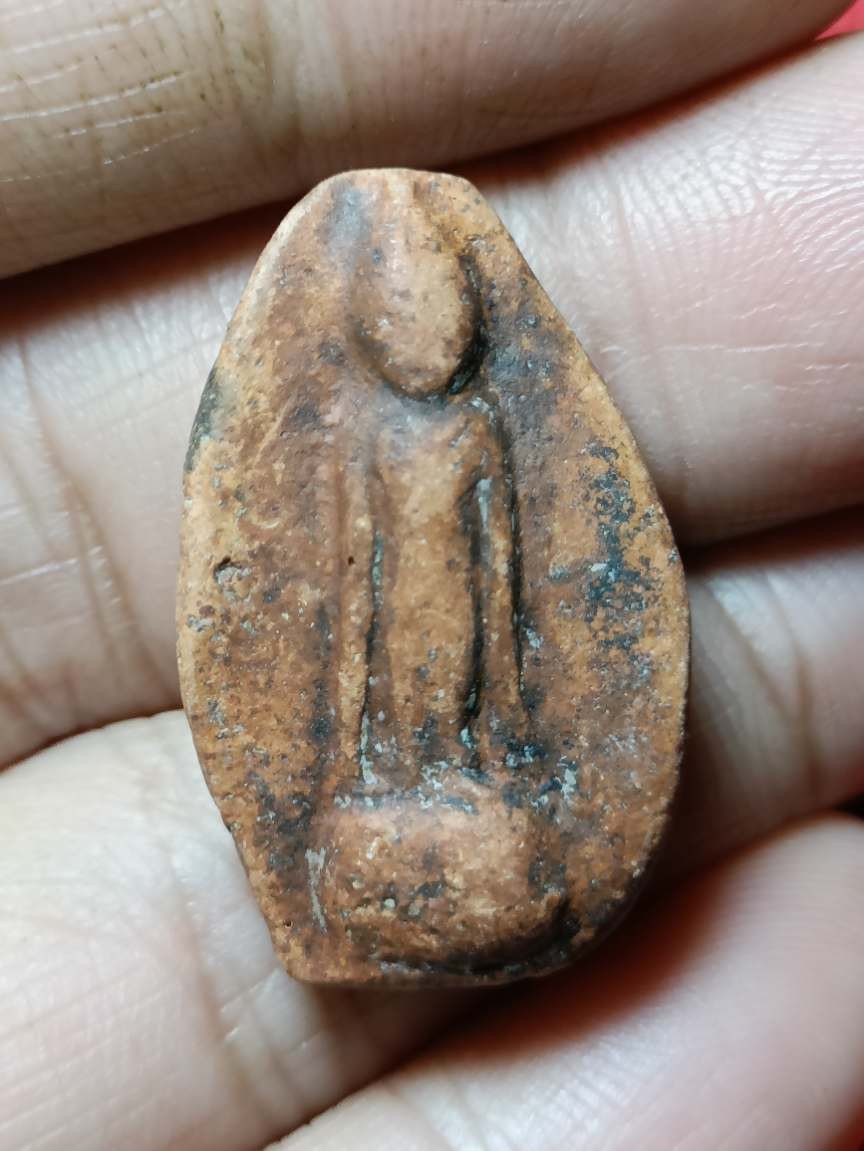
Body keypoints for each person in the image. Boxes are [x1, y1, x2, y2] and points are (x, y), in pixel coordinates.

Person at [0, 3, 862, 1149]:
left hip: (468, 626)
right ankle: (401, 813)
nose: (434, 335)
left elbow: (505, 556)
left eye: (446, 315)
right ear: (374, 326)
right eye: (409, 314)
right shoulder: (367, 439)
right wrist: (352, 680)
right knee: (403, 724)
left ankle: (460, 794)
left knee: (458, 718)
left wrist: (503, 654)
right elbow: (354, 568)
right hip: (392, 638)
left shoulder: (480, 428)